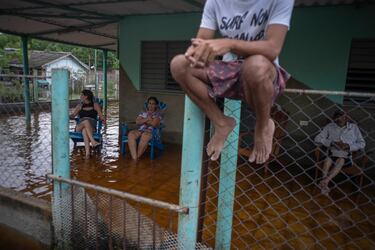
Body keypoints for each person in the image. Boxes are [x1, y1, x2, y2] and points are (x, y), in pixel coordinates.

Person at [170, 0, 294, 164]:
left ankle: (263, 125)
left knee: (254, 64)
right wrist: (196, 52)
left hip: (263, 72)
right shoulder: (215, 2)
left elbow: (272, 49)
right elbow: (202, 40)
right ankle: (222, 123)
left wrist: (229, 43)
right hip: (229, 70)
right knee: (179, 64)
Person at [314, 110, 365, 195]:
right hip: (332, 153)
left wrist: (348, 146)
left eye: (343, 118)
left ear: (347, 119)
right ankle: (324, 184)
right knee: (327, 160)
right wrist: (331, 143)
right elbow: (317, 138)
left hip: (346, 156)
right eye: (338, 118)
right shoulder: (330, 126)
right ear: (334, 119)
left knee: (340, 160)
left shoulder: (354, 127)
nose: (340, 120)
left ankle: (325, 181)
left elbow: (362, 143)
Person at [70, 89, 105, 159]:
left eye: (81, 95)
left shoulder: (95, 105)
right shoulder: (80, 106)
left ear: (86, 96)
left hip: (91, 128)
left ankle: (87, 154)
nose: (80, 96)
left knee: (85, 130)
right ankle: (93, 142)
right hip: (79, 127)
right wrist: (68, 116)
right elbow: (73, 116)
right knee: (86, 122)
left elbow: (101, 116)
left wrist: (104, 119)